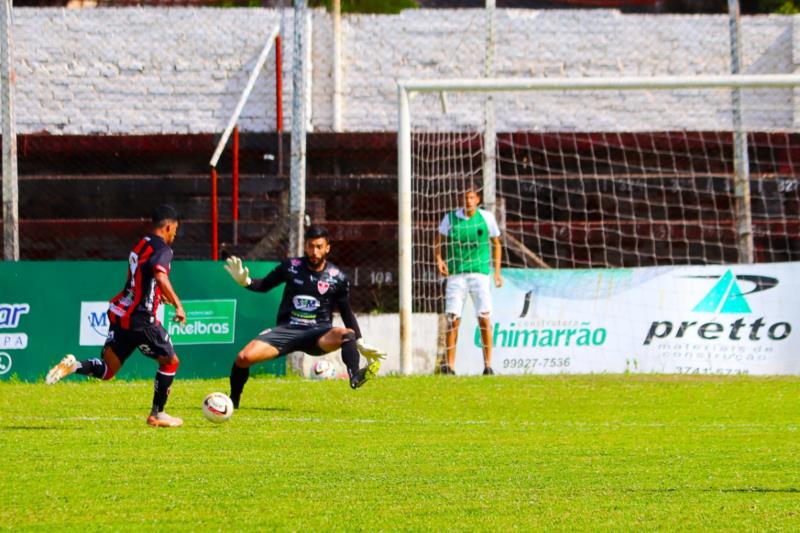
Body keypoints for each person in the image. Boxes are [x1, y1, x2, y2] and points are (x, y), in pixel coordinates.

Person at [45, 204, 187, 428]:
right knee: (170, 361)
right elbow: (159, 276)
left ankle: (74, 366)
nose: (176, 234)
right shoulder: (164, 250)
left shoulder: (141, 244)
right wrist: (178, 305)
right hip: (142, 319)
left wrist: (158, 296)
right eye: (176, 229)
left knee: (108, 369)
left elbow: (142, 278)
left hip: (122, 314)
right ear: (168, 226)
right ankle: (157, 414)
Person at [223, 225, 385, 408]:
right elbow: (264, 285)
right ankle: (233, 401)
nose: (314, 252)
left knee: (346, 333)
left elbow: (346, 311)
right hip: (287, 330)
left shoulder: (338, 278)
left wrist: (360, 341)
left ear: (327, 248)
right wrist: (246, 282)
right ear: (305, 246)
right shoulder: (291, 267)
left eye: (319, 246)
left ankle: (355, 375)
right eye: (310, 246)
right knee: (244, 358)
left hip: (319, 333)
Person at [434, 189, 503, 375]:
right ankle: (450, 366)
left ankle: (488, 366)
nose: (469, 200)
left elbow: (497, 244)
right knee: (453, 319)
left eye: (472, 197)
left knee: (484, 319)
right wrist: (440, 260)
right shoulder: (450, 218)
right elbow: (438, 241)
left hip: (480, 275)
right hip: (456, 275)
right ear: (461, 200)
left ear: (478, 199)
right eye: (465, 197)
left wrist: (496, 273)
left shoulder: (486, 218)